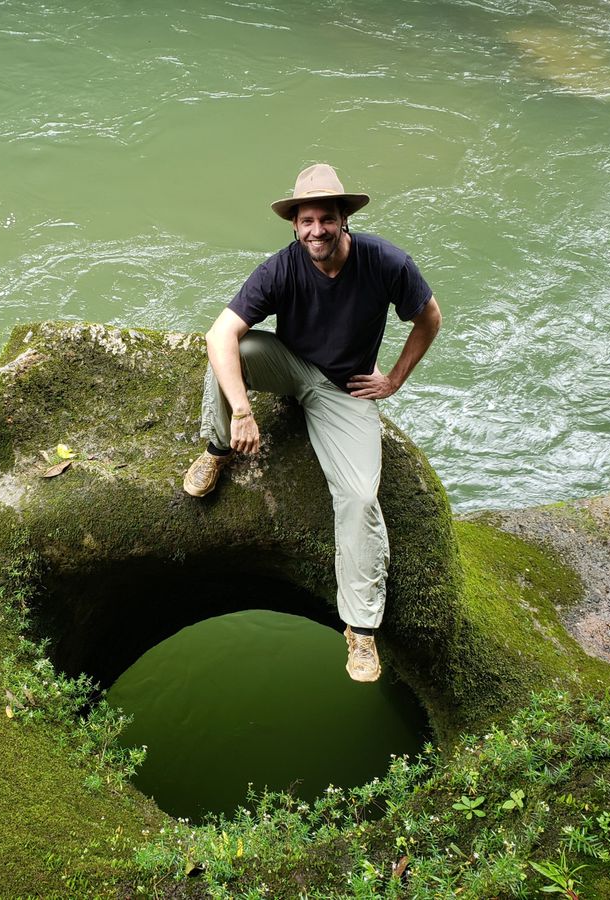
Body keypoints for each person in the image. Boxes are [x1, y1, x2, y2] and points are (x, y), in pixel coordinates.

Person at [182, 163, 442, 683]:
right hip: (291, 365)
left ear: (344, 219)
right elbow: (219, 335)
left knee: (361, 498)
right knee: (234, 352)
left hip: (344, 390)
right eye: (306, 221)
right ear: (294, 225)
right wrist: (243, 412)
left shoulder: (387, 262)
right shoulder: (281, 268)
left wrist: (393, 379)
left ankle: (361, 631)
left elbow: (429, 317)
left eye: (326, 218)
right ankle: (216, 451)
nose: (316, 230)